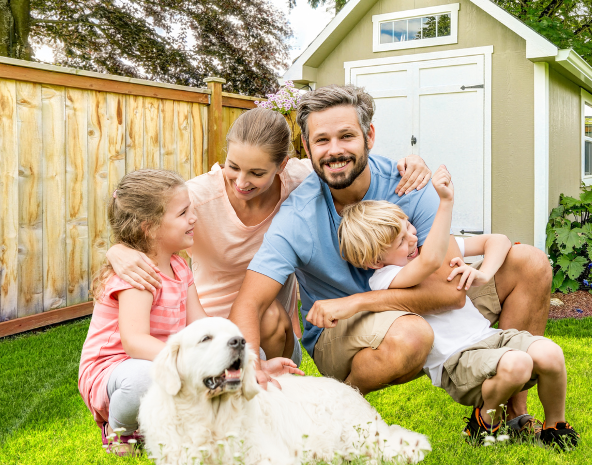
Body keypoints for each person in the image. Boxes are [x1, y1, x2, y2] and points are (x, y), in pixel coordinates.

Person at [229, 84, 553, 437]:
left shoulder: (410, 186)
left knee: (530, 262)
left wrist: (355, 302)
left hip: (402, 305)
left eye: (346, 136)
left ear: (369, 136)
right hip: (343, 333)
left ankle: (509, 413)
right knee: (411, 333)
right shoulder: (297, 216)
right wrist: (250, 364)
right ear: (306, 147)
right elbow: (249, 303)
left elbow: (450, 295)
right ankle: (340, 412)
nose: (334, 150)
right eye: (321, 140)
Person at [104, 108, 430, 375]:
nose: (241, 182)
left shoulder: (299, 182)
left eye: (257, 173)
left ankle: (267, 391)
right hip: (206, 326)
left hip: (272, 332)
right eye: (233, 167)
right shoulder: (197, 198)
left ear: (281, 166)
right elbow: (140, 217)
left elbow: (344, 161)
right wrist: (116, 249)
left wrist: (412, 162)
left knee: (271, 314)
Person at [336, 166, 579, 449]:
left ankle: (555, 428)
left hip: (489, 337)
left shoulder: (423, 250)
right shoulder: (385, 279)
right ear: (376, 261)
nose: (413, 238)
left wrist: (484, 273)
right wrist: (445, 203)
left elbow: (497, 241)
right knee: (518, 363)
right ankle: (485, 423)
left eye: (409, 227)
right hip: (456, 361)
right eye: (401, 241)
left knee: (551, 353)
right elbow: (428, 261)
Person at [77, 169, 304, 456]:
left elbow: (202, 324)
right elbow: (134, 342)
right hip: (116, 370)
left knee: (243, 354)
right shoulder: (138, 276)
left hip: (158, 359)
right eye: (184, 213)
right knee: (146, 378)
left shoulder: (179, 267)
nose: (193, 218)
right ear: (151, 227)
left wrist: (249, 365)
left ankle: (175, 419)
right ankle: (121, 432)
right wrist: (186, 364)